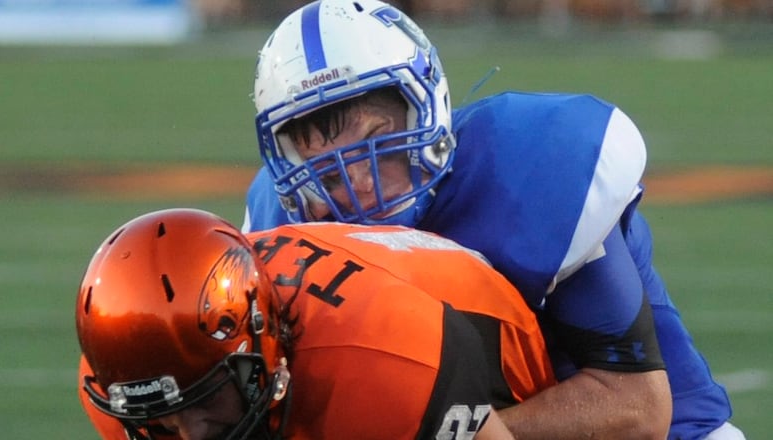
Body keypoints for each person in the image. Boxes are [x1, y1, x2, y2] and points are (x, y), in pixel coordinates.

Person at [242, 1, 745, 439]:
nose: (360, 186)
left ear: (427, 108)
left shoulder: (529, 169)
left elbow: (638, 409)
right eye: (328, 170)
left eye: (377, 146)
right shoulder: (278, 224)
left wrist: (436, 429)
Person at [76, 208, 558, 439]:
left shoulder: (378, 363)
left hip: (504, 363)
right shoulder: (123, 374)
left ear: (258, 342)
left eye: (203, 398)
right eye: (162, 417)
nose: (190, 434)